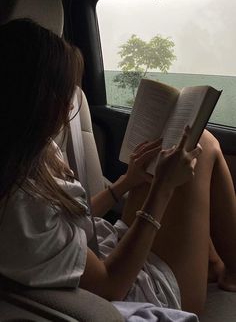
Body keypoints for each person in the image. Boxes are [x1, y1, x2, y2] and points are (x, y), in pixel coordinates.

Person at [0, 19, 235, 322]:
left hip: (102, 250)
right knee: (205, 143)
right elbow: (111, 285)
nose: (66, 109)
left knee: (176, 150)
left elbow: (67, 223)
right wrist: (161, 187)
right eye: (63, 96)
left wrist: (127, 182)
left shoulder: (29, 152)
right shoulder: (22, 206)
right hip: (133, 285)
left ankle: (213, 263)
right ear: (36, 102)